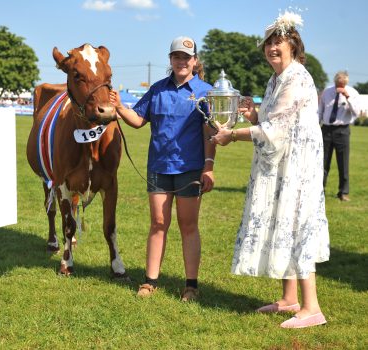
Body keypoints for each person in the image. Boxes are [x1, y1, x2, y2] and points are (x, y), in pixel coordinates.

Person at [210, 12, 330, 328]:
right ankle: (290, 299)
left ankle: (312, 308)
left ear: (293, 46)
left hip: (298, 167)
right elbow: (267, 121)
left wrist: (231, 134)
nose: (272, 49)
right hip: (282, 165)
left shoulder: (298, 77)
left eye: (278, 43)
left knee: (296, 225)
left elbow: (277, 127)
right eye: (268, 44)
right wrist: (251, 114)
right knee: (282, 221)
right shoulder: (276, 79)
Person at [109, 36, 215, 301]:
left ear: (194, 61)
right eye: (177, 56)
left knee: (188, 225)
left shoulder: (206, 91)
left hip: (190, 168)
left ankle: (191, 285)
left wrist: (209, 166)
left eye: (187, 57)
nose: (182, 61)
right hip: (159, 167)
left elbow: (210, 133)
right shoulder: (157, 90)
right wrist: (120, 107)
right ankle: (150, 281)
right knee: (158, 223)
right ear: (170, 60)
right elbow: (137, 120)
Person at [319, 71, 361, 202]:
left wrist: (347, 97)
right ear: (335, 81)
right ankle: (320, 190)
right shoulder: (327, 91)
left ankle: (343, 192)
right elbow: (321, 110)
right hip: (326, 130)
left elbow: (357, 113)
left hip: (342, 131)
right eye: (338, 84)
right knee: (323, 162)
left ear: (346, 83)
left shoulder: (353, 93)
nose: (340, 87)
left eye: (342, 84)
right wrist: (316, 125)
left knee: (343, 163)